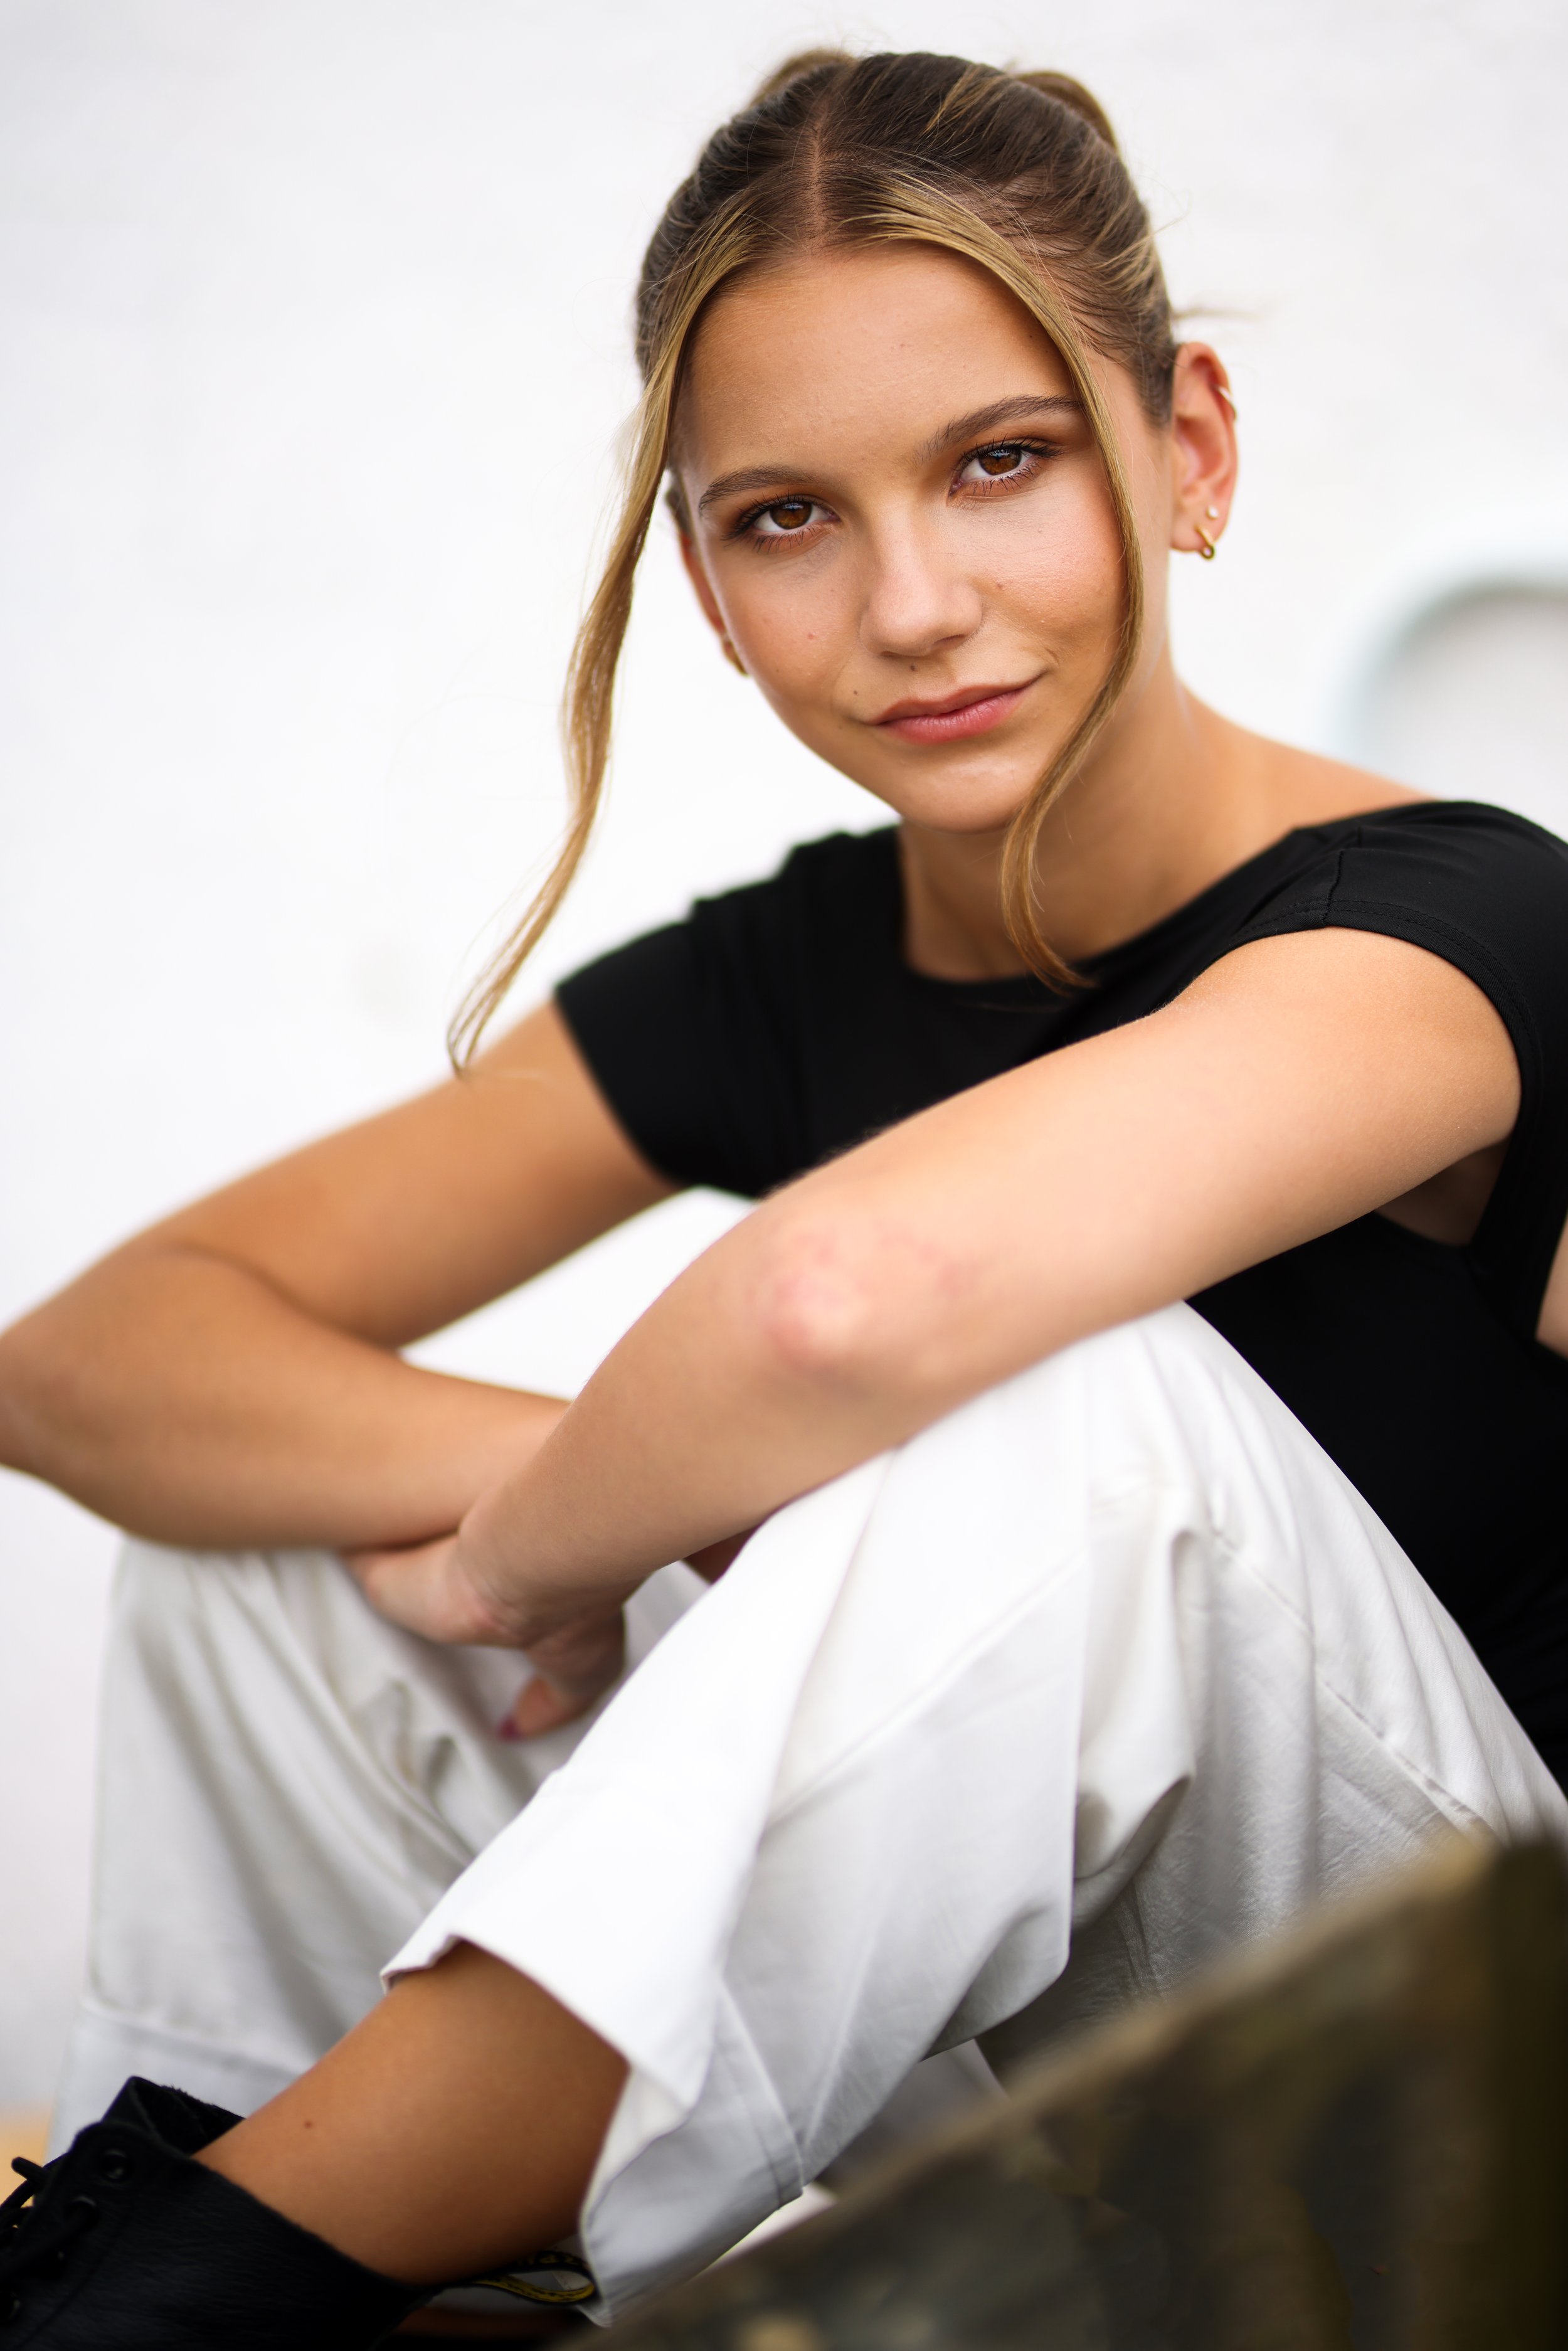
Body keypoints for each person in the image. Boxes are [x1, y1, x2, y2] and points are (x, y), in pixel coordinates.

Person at [2, 46, 1566, 2350]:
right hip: (1092, 2101)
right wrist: (575, 1488)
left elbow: (843, 1304)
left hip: (1475, 2090)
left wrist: (567, 1543)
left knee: (1043, 1398)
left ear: (1189, 449)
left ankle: (191, 2293)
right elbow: (86, 1360)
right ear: (709, 587)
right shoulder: (799, 960)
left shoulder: (1457, 930)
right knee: (275, 1563)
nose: (913, 602)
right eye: (786, 516)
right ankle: (360, 2242)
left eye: (1001, 464)